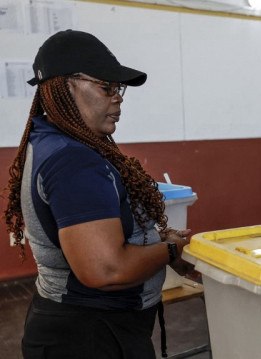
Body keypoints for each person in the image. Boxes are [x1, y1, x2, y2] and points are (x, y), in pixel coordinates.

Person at [4, 30, 192, 359]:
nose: (118, 97)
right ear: (65, 86)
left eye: (118, 88)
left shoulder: (54, 142)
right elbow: (106, 270)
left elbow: (102, 233)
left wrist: (152, 237)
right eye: (106, 86)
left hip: (79, 327)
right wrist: (171, 248)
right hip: (90, 336)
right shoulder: (72, 160)